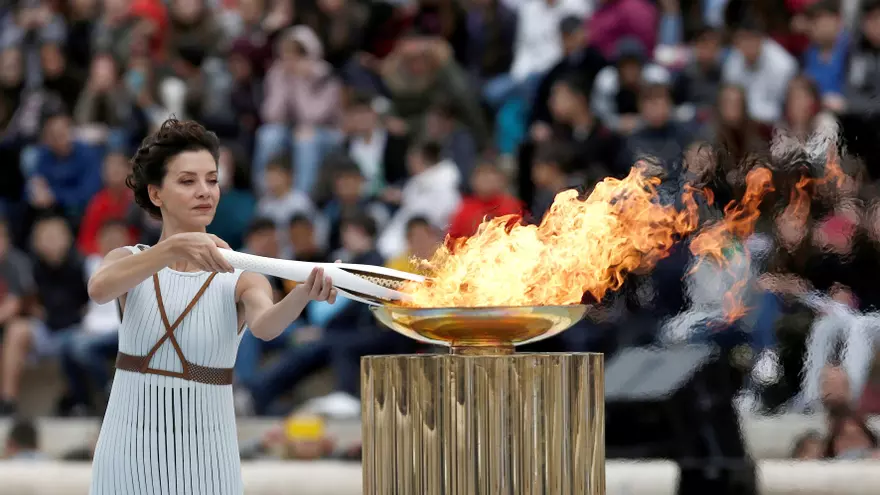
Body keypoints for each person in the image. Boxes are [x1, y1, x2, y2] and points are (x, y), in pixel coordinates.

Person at [87, 118, 337, 495]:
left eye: (212, 179)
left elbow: (266, 326)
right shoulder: (129, 259)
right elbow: (100, 289)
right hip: (126, 452)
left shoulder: (242, 272)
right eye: (188, 181)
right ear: (156, 194)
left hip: (207, 458)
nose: (205, 191)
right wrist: (171, 248)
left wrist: (302, 293)